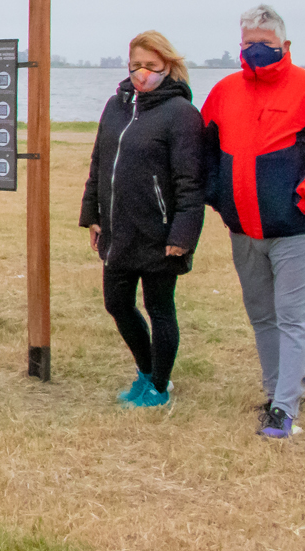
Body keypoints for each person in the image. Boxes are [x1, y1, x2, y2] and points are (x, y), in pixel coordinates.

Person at [203, 4, 305, 439]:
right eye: (248, 44)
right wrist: (219, 198)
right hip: (244, 230)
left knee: (293, 317)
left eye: (266, 45)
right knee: (261, 316)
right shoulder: (224, 92)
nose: (256, 51)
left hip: (299, 231)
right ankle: (274, 392)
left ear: (285, 45)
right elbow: (206, 154)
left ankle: (286, 408)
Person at [79, 31, 205, 408]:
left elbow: (190, 182)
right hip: (118, 231)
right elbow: (100, 163)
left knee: (160, 308)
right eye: (136, 65)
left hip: (160, 233)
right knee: (117, 303)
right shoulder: (115, 106)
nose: (143, 73)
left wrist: (182, 233)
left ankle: (160, 387)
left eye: (151, 66)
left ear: (168, 65)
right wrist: (92, 215)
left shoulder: (182, 115)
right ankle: (146, 371)